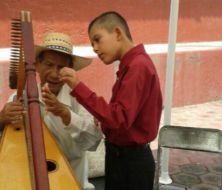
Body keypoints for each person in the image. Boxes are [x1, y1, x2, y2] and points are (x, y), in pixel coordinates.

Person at [0, 32, 103, 190]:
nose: (54, 74)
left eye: (61, 67)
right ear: (37, 66)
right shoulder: (21, 97)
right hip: (29, 182)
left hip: (71, 183)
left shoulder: (79, 99)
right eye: (49, 65)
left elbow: (93, 142)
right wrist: (0, 120)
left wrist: (65, 114)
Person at [60, 11, 163, 190]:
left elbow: (119, 118)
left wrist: (78, 86)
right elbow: (121, 115)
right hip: (121, 157)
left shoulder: (137, 66)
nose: (95, 48)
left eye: (97, 39)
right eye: (92, 44)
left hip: (131, 163)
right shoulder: (130, 65)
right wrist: (103, 119)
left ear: (117, 33)